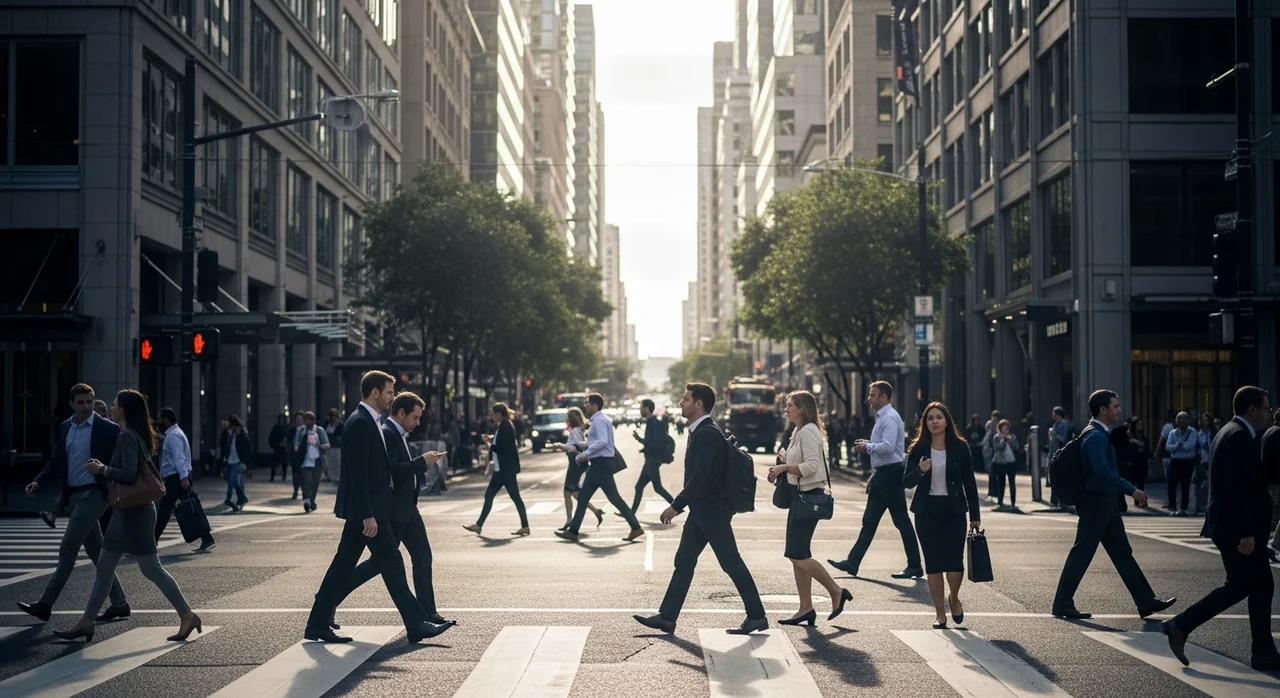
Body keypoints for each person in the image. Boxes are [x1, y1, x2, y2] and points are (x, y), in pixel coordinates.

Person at [304, 370, 450, 644]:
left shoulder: (370, 421)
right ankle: (417, 624)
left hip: (367, 510)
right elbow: (359, 475)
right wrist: (369, 515)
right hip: (367, 512)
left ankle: (317, 622)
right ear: (375, 393)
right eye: (389, 392)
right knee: (391, 563)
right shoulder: (360, 422)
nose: (392, 397)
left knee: (344, 565)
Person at [52, 390, 200, 643]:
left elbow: (129, 475)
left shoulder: (128, 437)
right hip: (125, 513)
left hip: (137, 513)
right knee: (105, 569)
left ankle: (187, 615)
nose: (111, 406)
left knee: (151, 569)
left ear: (124, 410)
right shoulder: (131, 435)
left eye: (115, 404)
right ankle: (86, 622)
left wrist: (101, 469)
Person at [634, 383, 766, 635]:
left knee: (731, 562)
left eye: (685, 399)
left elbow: (701, 476)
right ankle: (667, 617)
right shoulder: (700, 431)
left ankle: (757, 615)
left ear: (699, 404)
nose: (681, 403)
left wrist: (676, 505)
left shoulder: (706, 433)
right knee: (684, 560)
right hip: (702, 510)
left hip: (712, 510)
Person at [1165, 386, 1279, 670]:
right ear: (1251, 409)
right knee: (1245, 585)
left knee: (1257, 584)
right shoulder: (1239, 436)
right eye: (1266, 407)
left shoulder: (1232, 432)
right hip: (1236, 528)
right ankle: (1180, 625)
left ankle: (1263, 651)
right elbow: (1238, 489)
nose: (1268, 412)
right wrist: (1247, 532)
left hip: (1229, 524)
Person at [1051, 389, 1175, 620]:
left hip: (1104, 501)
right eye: (1115, 406)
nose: (1119, 409)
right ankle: (1062, 603)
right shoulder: (1095, 437)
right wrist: (1132, 490)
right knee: (1083, 552)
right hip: (1095, 502)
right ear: (1103, 409)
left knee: (1121, 552)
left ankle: (1145, 601)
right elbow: (1103, 472)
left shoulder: (1097, 434)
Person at [17, 384, 129, 623]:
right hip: (75, 495)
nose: (86, 406)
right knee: (95, 550)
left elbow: (120, 461)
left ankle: (45, 605)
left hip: (95, 494)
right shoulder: (65, 427)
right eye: (81, 402)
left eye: (90, 401)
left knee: (68, 549)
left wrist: (113, 486)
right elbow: (58, 460)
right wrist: (38, 481)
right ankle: (120, 603)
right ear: (72, 404)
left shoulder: (108, 428)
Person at [766, 391, 852, 626]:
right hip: (799, 496)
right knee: (799, 555)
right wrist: (783, 461)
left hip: (809, 498)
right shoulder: (798, 431)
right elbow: (800, 461)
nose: (786, 409)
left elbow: (811, 466)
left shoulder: (809, 431)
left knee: (796, 554)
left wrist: (784, 468)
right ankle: (805, 607)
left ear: (802, 408)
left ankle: (836, 590)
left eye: (790, 405)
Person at [829, 381, 922, 579]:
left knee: (901, 521)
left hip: (891, 475)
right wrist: (874, 468)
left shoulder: (889, 418)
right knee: (869, 521)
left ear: (884, 397)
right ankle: (853, 562)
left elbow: (888, 447)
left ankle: (915, 565)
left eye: (873, 395)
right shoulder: (883, 416)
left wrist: (868, 447)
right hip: (883, 474)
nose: (869, 399)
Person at [903, 402, 982, 628]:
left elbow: (970, 482)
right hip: (927, 512)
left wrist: (975, 515)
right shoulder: (918, 448)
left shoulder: (960, 447)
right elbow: (906, 481)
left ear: (947, 420)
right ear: (925, 423)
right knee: (934, 564)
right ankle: (940, 613)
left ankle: (953, 598)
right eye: (930, 418)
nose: (935, 421)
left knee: (955, 563)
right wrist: (920, 470)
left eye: (939, 417)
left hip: (953, 510)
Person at [555, 394, 645, 542]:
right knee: (583, 498)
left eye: (587, 403)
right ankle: (573, 531)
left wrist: (585, 455)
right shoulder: (598, 421)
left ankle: (635, 527)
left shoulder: (600, 421)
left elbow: (602, 442)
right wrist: (582, 446)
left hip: (602, 465)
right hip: (597, 465)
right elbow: (595, 442)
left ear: (595, 405)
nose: (585, 406)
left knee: (614, 498)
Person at [153, 407, 215, 553]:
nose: (158, 421)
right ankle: (207, 539)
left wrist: (183, 477)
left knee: (165, 510)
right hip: (179, 477)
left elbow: (179, 457)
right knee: (190, 509)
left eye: (160, 418)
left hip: (176, 478)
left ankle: (152, 542)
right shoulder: (175, 433)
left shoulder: (173, 436)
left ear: (167, 419)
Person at [463, 403, 531, 536]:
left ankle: (525, 526)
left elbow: (503, 447)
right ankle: (479, 525)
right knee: (493, 496)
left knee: (513, 497)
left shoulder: (506, 426)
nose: (491, 416)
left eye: (493, 413)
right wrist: (492, 440)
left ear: (499, 414)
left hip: (505, 470)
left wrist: (489, 444)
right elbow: (500, 442)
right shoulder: (503, 425)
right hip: (502, 469)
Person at [556, 407, 603, 531]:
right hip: (575, 464)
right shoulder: (578, 430)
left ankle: (570, 520)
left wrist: (561, 445)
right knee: (573, 493)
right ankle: (594, 511)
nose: (566, 420)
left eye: (567, 418)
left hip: (575, 465)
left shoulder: (575, 430)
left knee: (570, 492)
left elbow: (575, 447)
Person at [626, 399, 675, 515]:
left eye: (641, 408)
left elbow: (655, 442)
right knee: (641, 487)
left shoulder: (655, 423)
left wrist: (639, 439)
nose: (640, 410)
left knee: (656, 488)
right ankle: (631, 513)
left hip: (653, 460)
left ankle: (676, 507)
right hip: (650, 460)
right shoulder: (651, 422)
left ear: (647, 408)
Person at [1164, 412, 1199, 517]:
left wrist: (1178, 446)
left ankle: (1183, 508)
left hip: (1187, 462)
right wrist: (1177, 445)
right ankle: (1172, 506)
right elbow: (1168, 447)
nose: (1183, 421)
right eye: (1180, 419)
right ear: (1177, 421)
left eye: (1185, 419)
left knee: (1185, 485)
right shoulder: (1172, 433)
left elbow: (1190, 446)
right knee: (1171, 484)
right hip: (1175, 461)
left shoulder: (1193, 432)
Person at [295, 411, 331, 513]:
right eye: (305, 420)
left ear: (313, 420)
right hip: (305, 461)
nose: (307, 422)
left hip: (317, 460)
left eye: (309, 419)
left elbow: (327, 445)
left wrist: (318, 445)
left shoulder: (319, 430)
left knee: (315, 482)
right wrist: (297, 447)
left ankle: (312, 501)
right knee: (306, 481)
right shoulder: (302, 431)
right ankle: (306, 500)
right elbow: (296, 443)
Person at [989, 419, 1020, 512]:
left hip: (1011, 462)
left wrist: (1009, 440)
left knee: (1012, 483)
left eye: (1007, 427)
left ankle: (1013, 503)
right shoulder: (996, 437)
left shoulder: (1013, 436)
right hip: (1000, 462)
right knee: (1001, 482)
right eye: (1004, 427)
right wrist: (1003, 440)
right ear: (1000, 427)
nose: (1006, 429)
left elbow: (1016, 447)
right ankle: (1000, 502)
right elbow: (997, 448)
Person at [1047, 407, 1073, 509]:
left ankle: (1059, 501)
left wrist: (1054, 434)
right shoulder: (1056, 424)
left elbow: (1064, 439)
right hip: (1054, 453)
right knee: (1054, 477)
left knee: (1059, 478)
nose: (1052, 415)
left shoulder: (1064, 424)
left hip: (1060, 454)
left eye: (1054, 413)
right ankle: (1055, 501)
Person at [1195, 413, 1216, 518]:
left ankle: (1206, 505)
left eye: (1206, 420)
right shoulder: (1199, 434)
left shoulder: (1212, 433)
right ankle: (1200, 505)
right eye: (1203, 420)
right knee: (1201, 485)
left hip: (1210, 461)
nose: (1205, 422)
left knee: (1208, 485)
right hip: (1201, 461)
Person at [268, 414, 291, 482]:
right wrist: (277, 443)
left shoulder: (287, 427)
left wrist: (286, 444)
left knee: (284, 463)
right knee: (274, 463)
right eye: (280, 419)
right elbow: (272, 437)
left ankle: (284, 476)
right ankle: (272, 476)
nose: (281, 421)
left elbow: (289, 437)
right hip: (277, 447)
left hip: (284, 448)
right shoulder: (275, 427)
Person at [325, 408, 345, 484]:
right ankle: (330, 476)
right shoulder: (327, 424)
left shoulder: (340, 425)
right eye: (331, 416)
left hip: (337, 445)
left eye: (334, 416)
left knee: (337, 461)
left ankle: (337, 476)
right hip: (329, 445)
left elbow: (340, 435)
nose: (333, 418)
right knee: (329, 461)